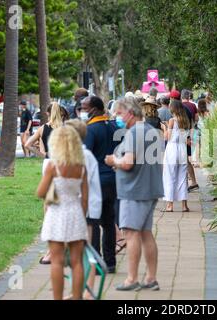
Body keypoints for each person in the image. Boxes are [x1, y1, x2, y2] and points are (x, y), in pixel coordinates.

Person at [104, 97, 164, 291]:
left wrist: (114, 161)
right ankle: (151, 278)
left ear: (130, 113)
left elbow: (128, 163)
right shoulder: (151, 131)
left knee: (131, 234)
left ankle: (132, 279)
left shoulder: (132, 133)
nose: (117, 117)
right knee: (146, 234)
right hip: (150, 189)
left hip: (134, 191)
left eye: (119, 113)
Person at [37, 126, 88, 300]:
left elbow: (40, 192)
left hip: (56, 213)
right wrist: (81, 215)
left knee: (57, 261)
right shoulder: (81, 168)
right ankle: (76, 297)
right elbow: (85, 199)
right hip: (75, 212)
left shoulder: (53, 166)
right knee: (77, 262)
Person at [65, 119, 102, 300]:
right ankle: (78, 290)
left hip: (85, 209)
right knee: (78, 252)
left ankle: (88, 290)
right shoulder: (79, 154)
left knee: (87, 250)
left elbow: (84, 187)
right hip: (81, 208)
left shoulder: (83, 156)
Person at [84, 96, 119, 273]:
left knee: (94, 223)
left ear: (95, 109)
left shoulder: (90, 130)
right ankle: (111, 262)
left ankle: (97, 264)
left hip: (95, 181)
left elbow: (84, 156)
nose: (83, 111)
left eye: (85, 108)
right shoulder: (115, 126)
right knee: (109, 221)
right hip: (113, 179)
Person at [25, 102, 64, 265]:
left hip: (48, 162)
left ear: (48, 113)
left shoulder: (43, 128)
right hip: (61, 162)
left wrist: (40, 153)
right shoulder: (64, 128)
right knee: (60, 197)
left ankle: (49, 225)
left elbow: (27, 144)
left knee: (48, 199)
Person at [162, 100, 190, 212]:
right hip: (182, 149)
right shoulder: (185, 121)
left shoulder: (172, 121)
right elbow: (186, 138)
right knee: (183, 178)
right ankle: (184, 206)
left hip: (172, 149)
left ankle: (170, 205)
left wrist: (164, 127)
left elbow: (167, 137)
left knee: (170, 176)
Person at [195, 99, 210, 166]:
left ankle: (198, 162)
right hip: (206, 130)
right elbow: (210, 121)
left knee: (198, 146)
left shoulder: (197, 113)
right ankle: (204, 162)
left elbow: (195, 121)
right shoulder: (207, 112)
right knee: (205, 146)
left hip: (198, 130)